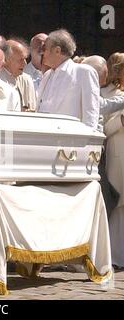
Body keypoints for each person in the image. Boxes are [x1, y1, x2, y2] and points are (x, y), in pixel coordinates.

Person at [37, 29, 99, 129]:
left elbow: (90, 113)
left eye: (44, 49)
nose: (42, 53)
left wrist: (87, 142)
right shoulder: (47, 75)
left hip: (71, 140)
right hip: (45, 138)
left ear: (57, 50)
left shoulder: (83, 72)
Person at [100, 52, 124, 268]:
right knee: (118, 204)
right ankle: (115, 255)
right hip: (118, 156)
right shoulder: (108, 94)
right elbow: (104, 128)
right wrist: (121, 122)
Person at [0, 39, 36, 111]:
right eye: (21, 60)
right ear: (6, 60)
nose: (25, 63)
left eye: (25, 59)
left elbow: (32, 107)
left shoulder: (26, 80)